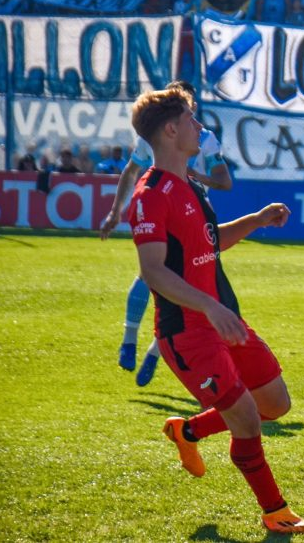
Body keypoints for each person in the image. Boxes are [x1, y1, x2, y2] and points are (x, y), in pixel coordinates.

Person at [127, 86, 304, 534]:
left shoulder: (189, 184)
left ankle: (187, 432)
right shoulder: (150, 195)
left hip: (221, 320)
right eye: (193, 120)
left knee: (276, 403)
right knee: (247, 419)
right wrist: (209, 305)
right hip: (187, 333)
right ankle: (276, 513)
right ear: (171, 130)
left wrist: (256, 219)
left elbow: (209, 242)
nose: (200, 127)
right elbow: (153, 272)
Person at [101, 81, 232, 387]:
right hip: (170, 214)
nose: (193, 119)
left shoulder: (206, 140)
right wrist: (115, 211)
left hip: (198, 218)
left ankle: (154, 352)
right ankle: (130, 339)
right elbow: (131, 171)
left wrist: (195, 177)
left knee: (183, 292)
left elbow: (224, 181)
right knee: (151, 276)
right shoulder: (154, 143)